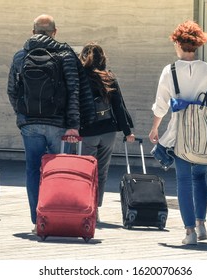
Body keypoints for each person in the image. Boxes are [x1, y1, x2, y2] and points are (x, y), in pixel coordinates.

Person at [148, 21, 207, 245]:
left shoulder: (170, 71)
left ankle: (190, 233)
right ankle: (201, 224)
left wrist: (155, 127)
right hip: (205, 133)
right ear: (197, 44)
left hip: (180, 135)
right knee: (200, 177)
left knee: (183, 180)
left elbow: (161, 104)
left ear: (177, 43)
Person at [7, 14, 90, 232]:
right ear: (55, 31)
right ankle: (58, 217)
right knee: (60, 171)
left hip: (30, 124)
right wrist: (74, 123)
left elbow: (12, 91)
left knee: (33, 170)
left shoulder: (20, 56)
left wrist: (22, 115)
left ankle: (38, 221)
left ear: (33, 32)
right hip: (59, 124)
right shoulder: (66, 54)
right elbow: (74, 90)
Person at [78, 43, 135, 221]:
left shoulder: (80, 78)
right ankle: (96, 208)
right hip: (108, 131)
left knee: (86, 171)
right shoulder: (109, 77)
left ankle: (85, 205)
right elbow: (119, 106)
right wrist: (127, 132)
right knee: (101, 171)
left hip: (87, 132)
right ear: (102, 58)